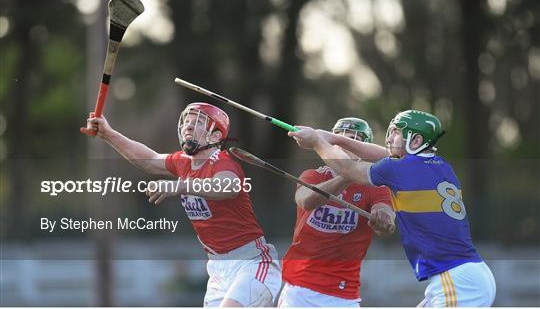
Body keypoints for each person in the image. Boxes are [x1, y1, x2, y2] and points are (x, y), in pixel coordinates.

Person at [288, 110, 496, 307]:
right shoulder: (439, 165)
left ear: (416, 141)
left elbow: (348, 169)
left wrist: (317, 142)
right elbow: (384, 155)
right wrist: (333, 139)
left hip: (456, 281)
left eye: (396, 133)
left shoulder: (401, 169)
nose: (388, 139)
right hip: (469, 276)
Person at [86, 102, 281, 307]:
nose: (188, 126)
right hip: (218, 269)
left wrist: (180, 186)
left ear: (215, 136)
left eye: (197, 122)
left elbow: (228, 186)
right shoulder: (183, 162)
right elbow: (149, 160)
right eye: (186, 121)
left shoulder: (223, 163)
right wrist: (108, 134)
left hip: (252, 263)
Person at [279, 117, 395, 307]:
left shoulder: (376, 187)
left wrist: (384, 219)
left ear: (362, 148)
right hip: (299, 288)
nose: (342, 145)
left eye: (350, 139)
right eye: (337, 138)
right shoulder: (314, 175)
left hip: (344, 293)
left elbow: (385, 218)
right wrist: (348, 174)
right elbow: (306, 201)